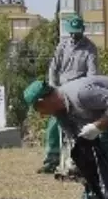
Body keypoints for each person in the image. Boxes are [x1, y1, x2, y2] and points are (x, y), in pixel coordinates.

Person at [38, 14, 98, 174]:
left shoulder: (90, 48)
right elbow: (53, 68)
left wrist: (86, 92)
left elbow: (92, 73)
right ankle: (51, 161)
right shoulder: (62, 46)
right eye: (71, 31)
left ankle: (77, 163)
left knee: (77, 129)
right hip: (59, 91)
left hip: (77, 94)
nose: (73, 35)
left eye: (76, 32)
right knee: (53, 127)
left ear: (82, 30)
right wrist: (53, 86)